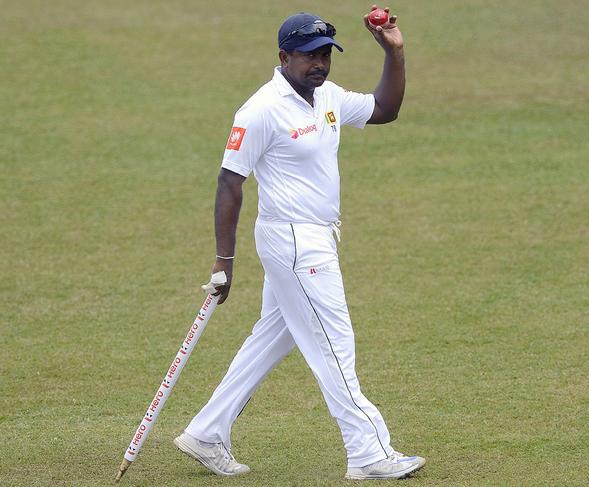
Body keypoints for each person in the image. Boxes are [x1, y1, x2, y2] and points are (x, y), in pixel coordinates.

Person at [173, 6, 426, 481]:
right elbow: (230, 182)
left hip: (317, 238)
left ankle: (206, 432)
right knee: (335, 346)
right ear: (284, 56)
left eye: (326, 54)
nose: (320, 63)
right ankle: (368, 452)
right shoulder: (261, 109)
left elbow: (384, 109)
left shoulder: (325, 96)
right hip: (293, 242)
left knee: (273, 338)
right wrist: (223, 261)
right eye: (310, 55)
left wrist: (395, 53)